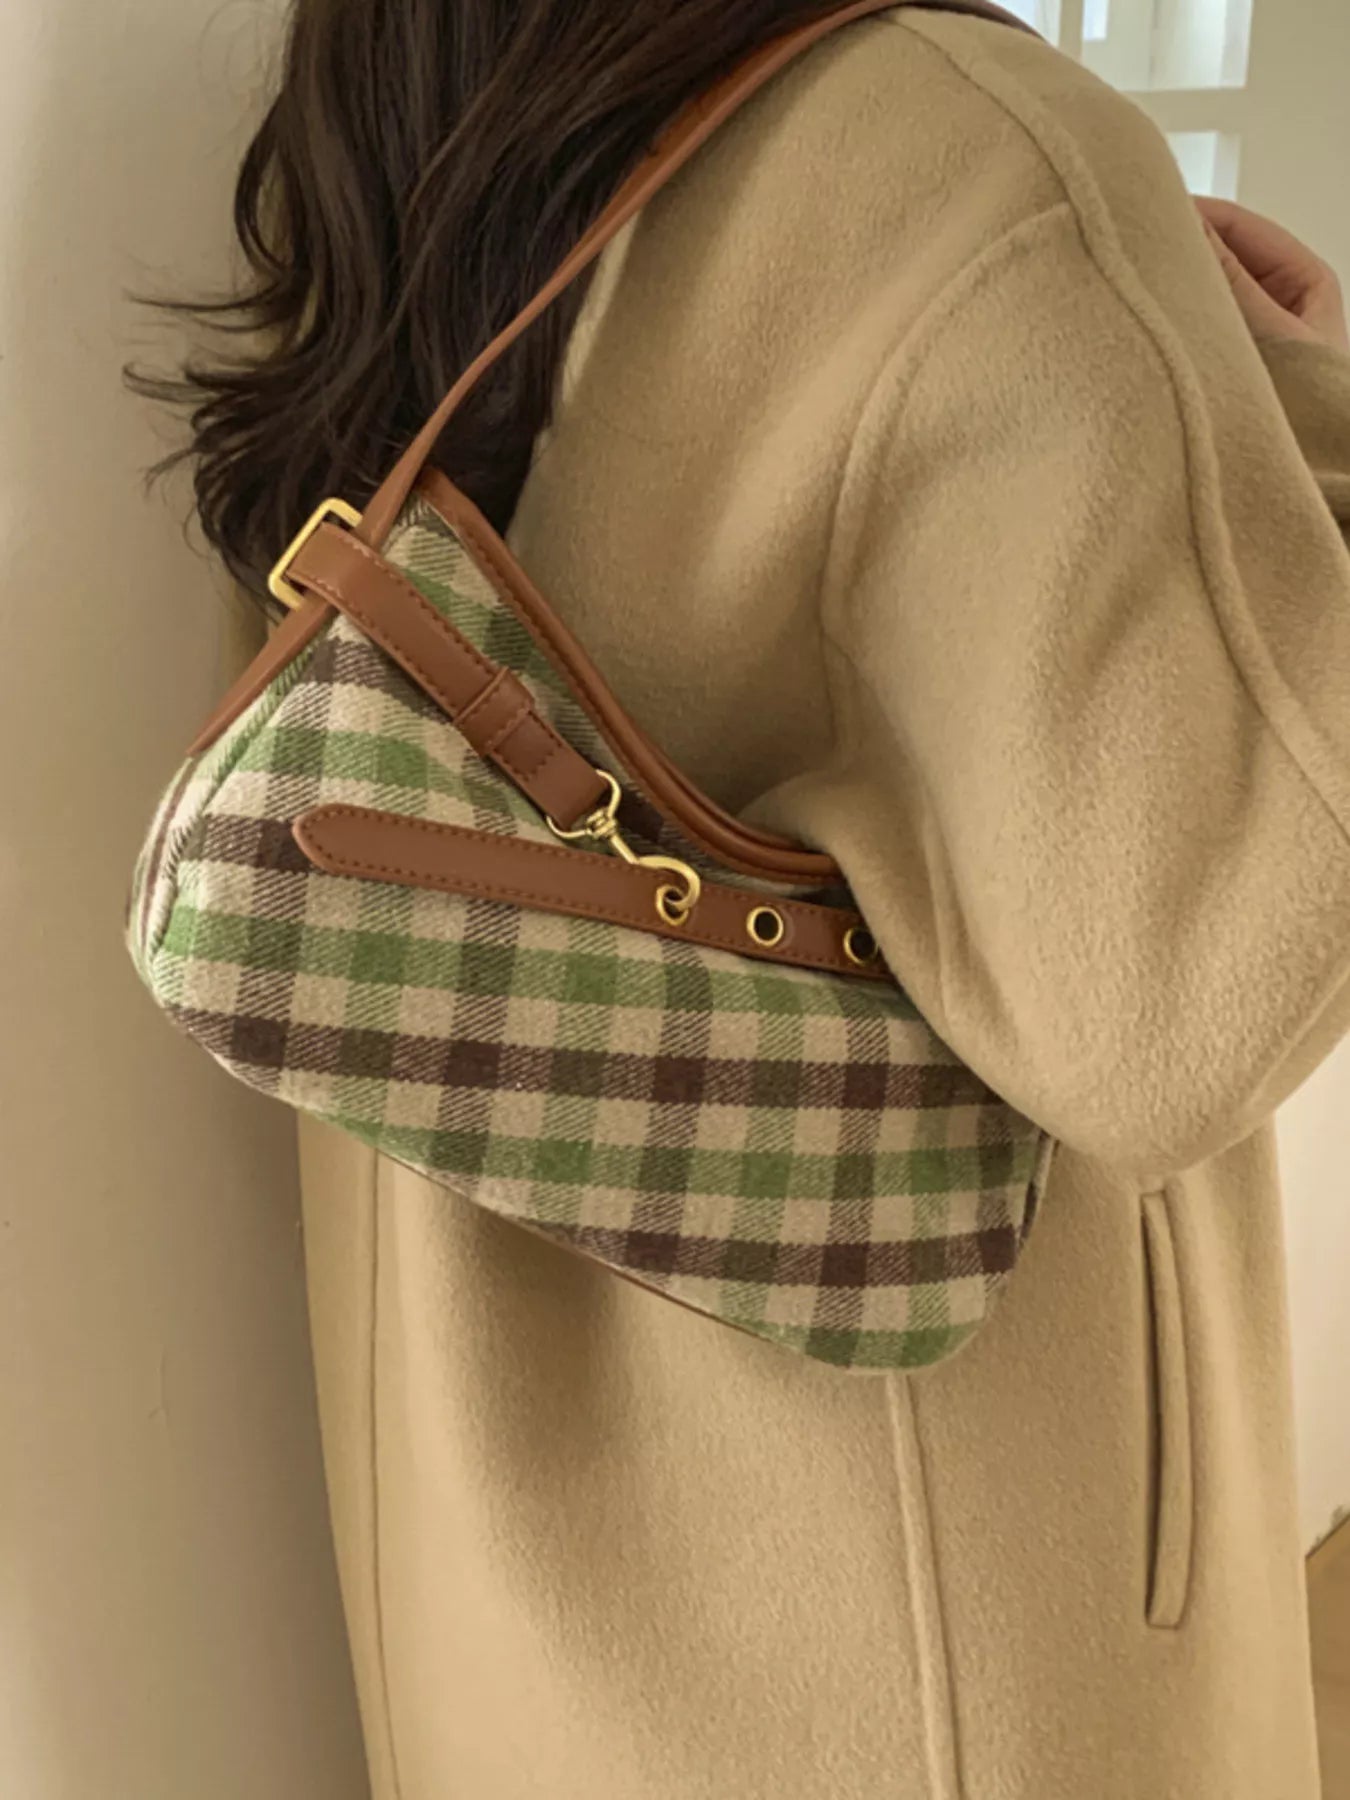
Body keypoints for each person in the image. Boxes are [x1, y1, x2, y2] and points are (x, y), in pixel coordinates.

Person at [138, 2, 1350, 1794]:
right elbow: (1192, 997)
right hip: (935, 1614)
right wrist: (1313, 405)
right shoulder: (968, 142)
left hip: (519, 1569)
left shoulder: (409, 88)